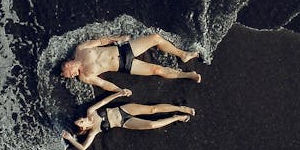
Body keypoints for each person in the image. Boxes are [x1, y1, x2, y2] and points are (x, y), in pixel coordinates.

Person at [61, 89, 195, 150]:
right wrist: (70, 139)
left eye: (80, 119)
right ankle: (176, 117)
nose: (81, 119)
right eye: (81, 122)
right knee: (152, 124)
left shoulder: (90, 112)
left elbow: (104, 101)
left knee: (152, 110)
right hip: (124, 123)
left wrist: (119, 93)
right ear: (82, 128)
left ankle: (181, 108)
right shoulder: (93, 131)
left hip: (124, 110)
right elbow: (83, 148)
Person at [60, 33, 200, 93]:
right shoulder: (84, 76)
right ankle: (188, 75)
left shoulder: (80, 49)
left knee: (155, 38)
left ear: (68, 64)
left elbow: (101, 41)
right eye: (70, 77)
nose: (72, 76)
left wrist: (118, 38)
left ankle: (183, 55)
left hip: (124, 50)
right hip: (124, 66)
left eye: (69, 74)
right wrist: (119, 90)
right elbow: (103, 84)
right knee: (156, 70)